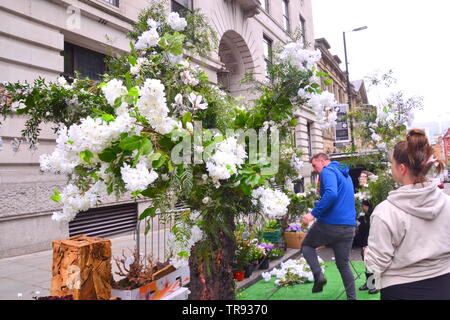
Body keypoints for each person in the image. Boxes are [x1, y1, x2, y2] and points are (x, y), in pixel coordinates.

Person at [364, 129, 450, 300]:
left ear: (401, 168)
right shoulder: (447, 202)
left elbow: (377, 264)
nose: (390, 167)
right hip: (445, 285)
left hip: (401, 289)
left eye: (391, 163)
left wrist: (368, 255)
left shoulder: (385, 211)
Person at [301, 153, 357, 300]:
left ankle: (318, 275)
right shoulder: (345, 174)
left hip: (330, 224)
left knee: (306, 246)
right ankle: (352, 298)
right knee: (343, 265)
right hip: (349, 226)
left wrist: (313, 214)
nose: (314, 169)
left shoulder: (328, 171)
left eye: (314, 165)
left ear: (323, 161)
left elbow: (331, 194)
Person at [354, 170, 379, 294]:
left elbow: (370, 209)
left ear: (368, 179)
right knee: (364, 255)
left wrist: (359, 204)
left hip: (371, 226)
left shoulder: (371, 193)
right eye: (360, 176)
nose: (360, 178)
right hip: (363, 227)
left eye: (363, 177)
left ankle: (375, 283)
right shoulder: (361, 192)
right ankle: (369, 282)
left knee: (370, 254)